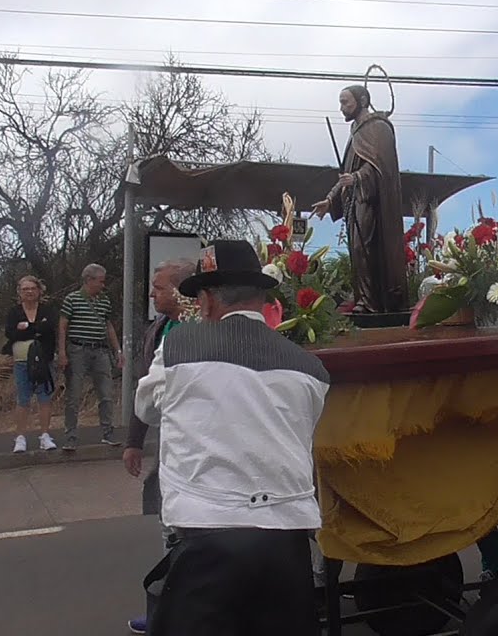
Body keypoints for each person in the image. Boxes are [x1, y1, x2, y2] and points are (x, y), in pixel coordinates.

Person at [135, 240, 328, 636]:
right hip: (287, 544)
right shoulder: (312, 369)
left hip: (209, 536)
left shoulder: (177, 346)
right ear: (262, 298)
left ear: (206, 302)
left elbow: (146, 408)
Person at [124, 259, 195, 636]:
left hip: (194, 445)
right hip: (169, 440)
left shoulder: (198, 328)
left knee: (182, 524)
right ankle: (166, 609)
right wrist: (134, 442)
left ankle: (174, 613)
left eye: (160, 286)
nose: (152, 292)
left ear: (181, 291)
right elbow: (144, 389)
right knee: (169, 521)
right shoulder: (159, 329)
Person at [310, 84, 408, 314]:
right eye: (341, 102)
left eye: (346, 102)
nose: (341, 108)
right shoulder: (356, 131)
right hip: (355, 201)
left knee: (365, 249)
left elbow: (379, 170)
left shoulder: (377, 128)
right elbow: (347, 174)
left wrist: (357, 178)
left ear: (362, 101)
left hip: (371, 202)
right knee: (358, 251)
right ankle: (365, 299)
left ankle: (372, 302)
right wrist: (331, 198)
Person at [57, 263, 125, 450]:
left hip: (100, 350)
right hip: (78, 350)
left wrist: (117, 350)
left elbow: (108, 325)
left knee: (106, 393)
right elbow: (62, 326)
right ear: (89, 280)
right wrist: (62, 352)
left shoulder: (104, 300)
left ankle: (107, 432)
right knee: (74, 394)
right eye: (100, 281)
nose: (103, 285)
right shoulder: (72, 299)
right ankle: (70, 435)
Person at [1, 276, 60, 453]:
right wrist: (35, 329)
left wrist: (27, 328)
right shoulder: (14, 312)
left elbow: (48, 328)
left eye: (32, 288)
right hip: (21, 361)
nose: (29, 292)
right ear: (19, 292)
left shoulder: (47, 310)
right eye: (25, 289)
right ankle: (20, 437)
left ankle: (45, 435)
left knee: (44, 398)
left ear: (39, 290)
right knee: (23, 399)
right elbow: (11, 333)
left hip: (43, 360)